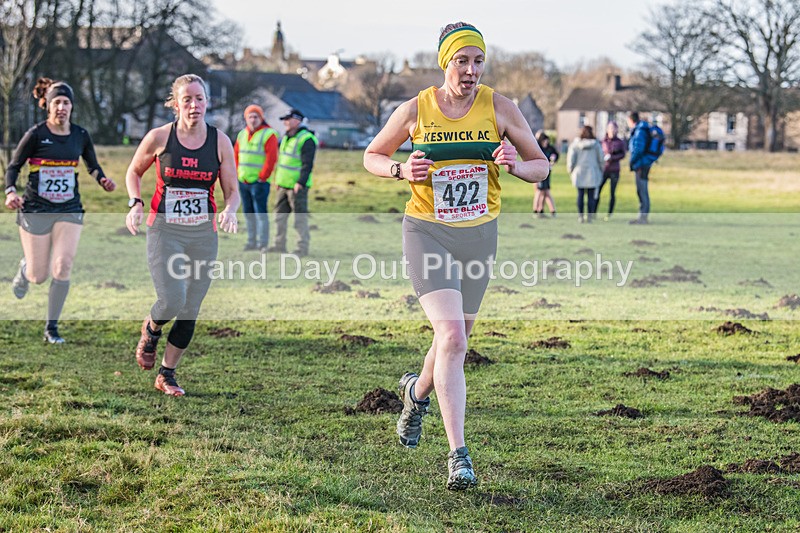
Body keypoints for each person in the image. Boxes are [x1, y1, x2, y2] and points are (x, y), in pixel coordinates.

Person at [363, 22, 548, 490]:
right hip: (427, 231)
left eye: (478, 61)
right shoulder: (416, 109)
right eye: (462, 61)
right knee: (452, 339)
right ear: (445, 62)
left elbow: (541, 164)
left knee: (454, 340)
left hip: (479, 236)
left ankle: (414, 393)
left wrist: (515, 166)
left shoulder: (499, 107)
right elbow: (371, 155)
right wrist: (401, 168)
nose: (470, 70)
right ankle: (458, 456)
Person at [125, 74, 239, 396]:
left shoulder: (220, 141)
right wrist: (135, 202)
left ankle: (167, 374)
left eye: (199, 98)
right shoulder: (160, 137)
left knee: (191, 306)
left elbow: (232, 190)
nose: (194, 105)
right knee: (172, 298)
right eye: (186, 99)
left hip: (203, 232)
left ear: (208, 102)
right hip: (164, 229)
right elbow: (134, 171)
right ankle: (152, 326)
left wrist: (230, 210)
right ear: (175, 104)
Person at [4, 78, 116, 344]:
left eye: (66, 102)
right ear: (48, 106)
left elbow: (92, 165)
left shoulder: (80, 135)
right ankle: (25, 269)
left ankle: (51, 328)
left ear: (72, 106)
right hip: (36, 208)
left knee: (63, 265)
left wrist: (102, 179)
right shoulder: (35, 134)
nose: (62, 107)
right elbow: (13, 167)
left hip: (69, 207)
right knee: (38, 275)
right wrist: (10, 192)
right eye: (57, 102)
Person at [267, 108, 317, 257]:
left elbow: (307, 164)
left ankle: (301, 248)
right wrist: (278, 180)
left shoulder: (306, 139)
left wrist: (300, 182)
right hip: (283, 184)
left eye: (288, 119)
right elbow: (282, 162)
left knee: (299, 218)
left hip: (297, 186)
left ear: (298, 121)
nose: (285, 122)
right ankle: (278, 245)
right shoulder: (287, 137)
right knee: (279, 217)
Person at [234, 104, 278, 252]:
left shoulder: (268, 134)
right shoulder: (242, 134)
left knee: (260, 213)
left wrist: (263, 177)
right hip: (243, 180)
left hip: (259, 182)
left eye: (256, 117)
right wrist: (236, 173)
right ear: (246, 118)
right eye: (250, 117)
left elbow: (271, 158)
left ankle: (262, 243)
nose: (253, 120)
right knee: (248, 213)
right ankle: (251, 241)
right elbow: (236, 156)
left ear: (261, 118)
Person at [567, 125, 604, 223]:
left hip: (579, 172)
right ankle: (590, 217)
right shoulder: (596, 145)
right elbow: (601, 159)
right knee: (591, 197)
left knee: (580, 195)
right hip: (592, 172)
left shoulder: (575, 145)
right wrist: (601, 169)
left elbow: (571, 159)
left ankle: (581, 216)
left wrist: (570, 170)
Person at [627, 111, 657, 224]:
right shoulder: (641, 129)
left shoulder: (639, 131)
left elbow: (638, 149)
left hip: (641, 164)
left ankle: (643, 217)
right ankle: (642, 216)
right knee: (641, 190)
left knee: (642, 190)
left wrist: (632, 161)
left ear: (631, 120)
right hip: (643, 163)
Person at [599, 121, 626, 221]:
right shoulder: (603, 142)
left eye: (614, 128)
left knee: (612, 193)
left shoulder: (620, 142)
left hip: (614, 169)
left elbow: (623, 154)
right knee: (598, 190)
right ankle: (593, 212)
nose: (612, 130)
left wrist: (613, 158)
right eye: (610, 128)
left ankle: (609, 213)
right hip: (604, 169)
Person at [533, 130, 558, 218]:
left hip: (547, 172)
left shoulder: (550, 148)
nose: (546, 142)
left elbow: (556, 155)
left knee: (544, 191)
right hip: (539, 172)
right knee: (540, 191)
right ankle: (537, 210)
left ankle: (541, 210)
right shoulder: (538, 148)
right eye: (544, 140)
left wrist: (553, 160)